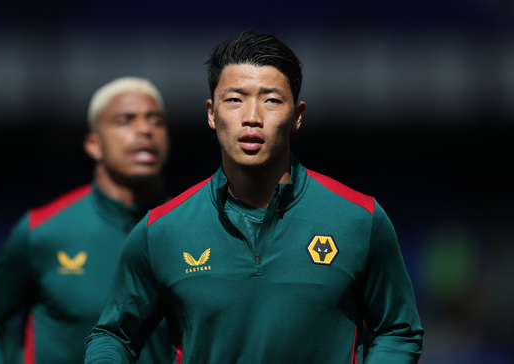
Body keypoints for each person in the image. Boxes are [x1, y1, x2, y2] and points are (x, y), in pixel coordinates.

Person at [84, 30, 424, 363]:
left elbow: (399, 330)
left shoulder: (359, 219)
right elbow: (114, 335)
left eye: (271, 100)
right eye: (234, 100)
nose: (252, 117)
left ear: (297, 116)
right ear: (211, 113)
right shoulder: (161, 230)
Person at [0, 77, 172, 364]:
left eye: (156, 121)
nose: (145, 129)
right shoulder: (44, 230)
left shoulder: (186, 227)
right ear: (94, 144)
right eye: (125, 120)